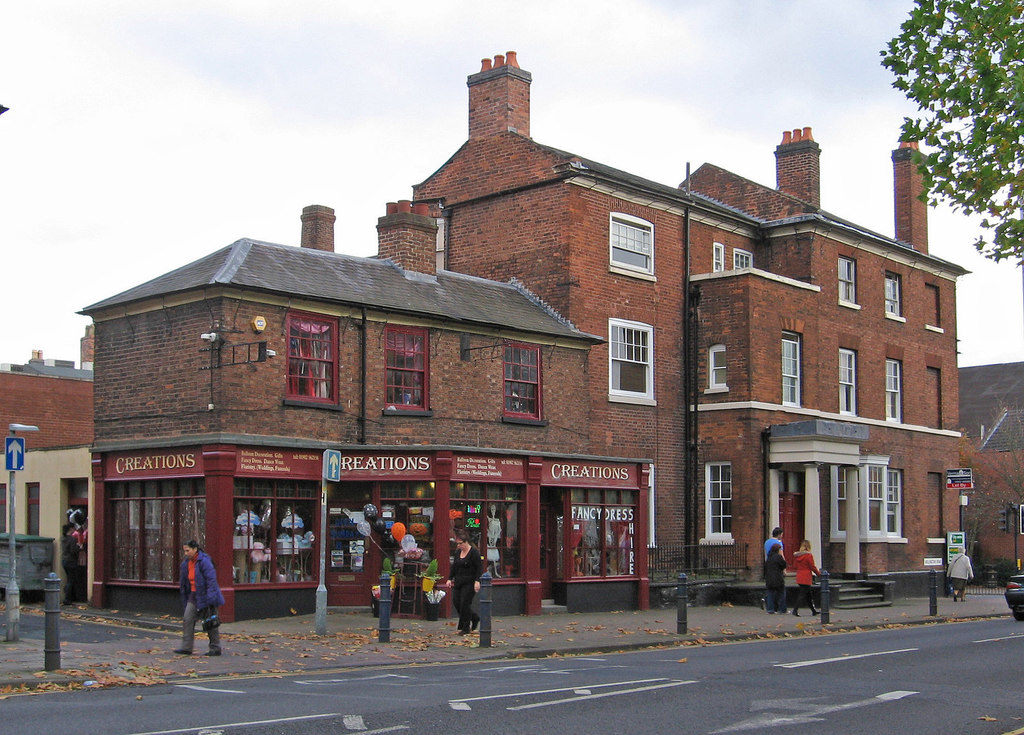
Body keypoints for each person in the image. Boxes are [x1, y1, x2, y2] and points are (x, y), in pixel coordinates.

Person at [175, 540, 225, 656]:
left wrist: (210, 599)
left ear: (195, 549)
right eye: (185, 551)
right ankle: (186, 647)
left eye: (188, 550)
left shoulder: (204, 561)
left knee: (210, 621)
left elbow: (211, 580)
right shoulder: (186, 564)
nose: (186, 553)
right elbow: (185, 583)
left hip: (206, 595)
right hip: (193, 595)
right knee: (188, 619)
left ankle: (215, 647)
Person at [445, 529, 482, 634]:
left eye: (460, 544)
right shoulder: (458, 553)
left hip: (469, 582)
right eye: (457, 544)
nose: (458, 546)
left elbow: (479, 568)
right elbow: (454, 567)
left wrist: (477, 581)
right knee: (456, 602)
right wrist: (449, 578)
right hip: (458, 581)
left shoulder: (474, 553)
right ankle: (474, 617)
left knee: (464, 604)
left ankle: (465, 627)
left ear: (466, 542)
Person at [790, 539, 820, 617]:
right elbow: (812, 567)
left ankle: (813, 611)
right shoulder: (808, 556)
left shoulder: (798, 556)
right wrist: (818, 574)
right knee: (802, 594)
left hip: (800, 575)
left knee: (808, 595)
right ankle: (795, 610)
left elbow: (796, 566)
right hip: (806, 576)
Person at [60, 523, 81, 605]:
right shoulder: (72, 539)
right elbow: (73, 551)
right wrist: (79, 547)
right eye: (73, 529)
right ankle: (68, 598)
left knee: (68, 578)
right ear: (71, 529)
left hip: (64, 560)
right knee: (71, 579)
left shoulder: (63, 539)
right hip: (71, 561)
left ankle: (67, 596)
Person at [764, 542, 787, 614]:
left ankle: (770, 609)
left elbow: (766, 567)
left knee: (770, 593)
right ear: (778, 550)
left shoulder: (769, 557)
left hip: (769, 578)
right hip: (778, 578)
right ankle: (782, 609)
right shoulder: (778, 557)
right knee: (781, 593)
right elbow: (784, 565)